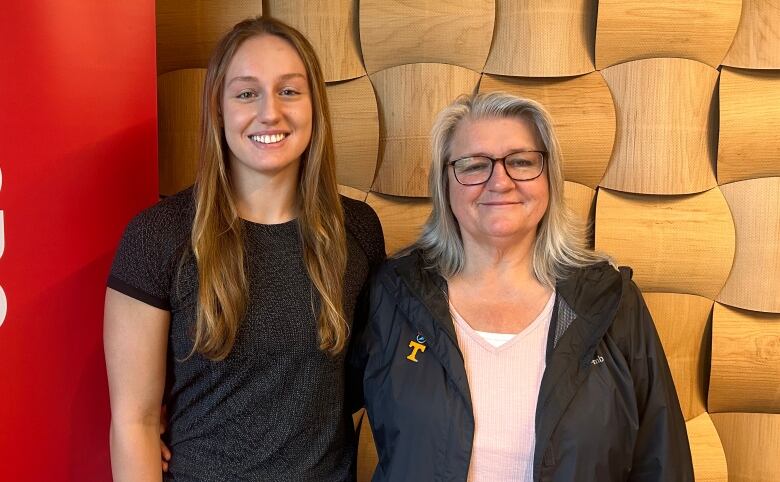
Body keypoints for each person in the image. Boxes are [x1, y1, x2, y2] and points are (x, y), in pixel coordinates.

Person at [349, 92, 693, 481]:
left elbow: (662, 460)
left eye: (522, 162)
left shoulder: (611, 302)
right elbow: (318, 417)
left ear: (549, 178)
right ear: (445, 184)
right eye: (474, 165)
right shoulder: (393, 294)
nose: (500, 181)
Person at [104, 16, 384, 481]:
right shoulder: (158, 236)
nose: (269, 112)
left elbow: (360, 384)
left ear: (315, 106)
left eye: (289, 91)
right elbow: (134, 421)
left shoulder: (356, 230)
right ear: (218, 108)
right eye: (246, 93)